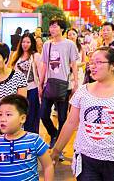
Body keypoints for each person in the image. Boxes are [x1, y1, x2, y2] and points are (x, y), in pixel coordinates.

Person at [51, 47, 114, 181]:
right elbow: (70, 123)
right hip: (86, 158)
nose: (93, 67)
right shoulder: (83, 92)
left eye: (99, 62)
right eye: (91, 63)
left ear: (113, 65)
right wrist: (56, 150)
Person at [0, 94, 54, 181]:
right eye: (0, 115)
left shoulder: (34, 140)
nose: (2, 119)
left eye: (8, 115)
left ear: (22, 118)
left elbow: (48, 166)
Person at [38, 18, 79, 154]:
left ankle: (58, 148)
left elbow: (73, 64)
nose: (52, 29)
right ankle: (54, 134)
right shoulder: (47, 45)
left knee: (62, 118)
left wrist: (76, 83)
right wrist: (40, 83)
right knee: (43, 114)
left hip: (64, 85)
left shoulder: (69, 45)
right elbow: (44, 65)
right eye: (51, 27)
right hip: (49, 84)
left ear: (62, 29)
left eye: (55, 27)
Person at [9, 33, 42, 133]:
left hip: (32, 90)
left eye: (28, 42)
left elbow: (40, 74)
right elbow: (11, 70)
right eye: (23, 42)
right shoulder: (16, 55)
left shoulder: (35, 56)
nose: (25, 44)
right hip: (17, 90)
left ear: (32, 43)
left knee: (31, 116)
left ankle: (31, 138)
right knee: (18, 115)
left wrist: (41, 88)